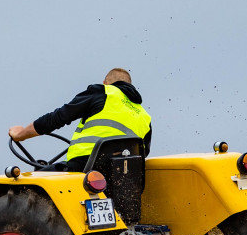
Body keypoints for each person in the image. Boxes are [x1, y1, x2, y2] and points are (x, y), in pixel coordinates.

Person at [8, 68, 152, 172]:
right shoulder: (144, 115)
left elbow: (58, 117)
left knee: (32, 183)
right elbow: (143, 153)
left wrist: (21, 134)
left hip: (84, 168)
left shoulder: (103, 92)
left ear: (105, 82)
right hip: (124, 177)